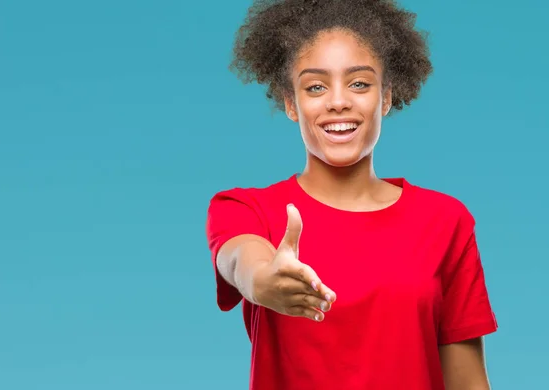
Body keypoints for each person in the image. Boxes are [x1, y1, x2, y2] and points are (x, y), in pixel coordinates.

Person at [205, 1, 498, 389]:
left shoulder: (445, 221)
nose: (338, 101)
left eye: (359, 83)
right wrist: (261, 280)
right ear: (292, 103)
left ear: (387, 97)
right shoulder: (246, 209)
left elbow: (468, 382)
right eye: (315, 87)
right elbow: (240, 259)